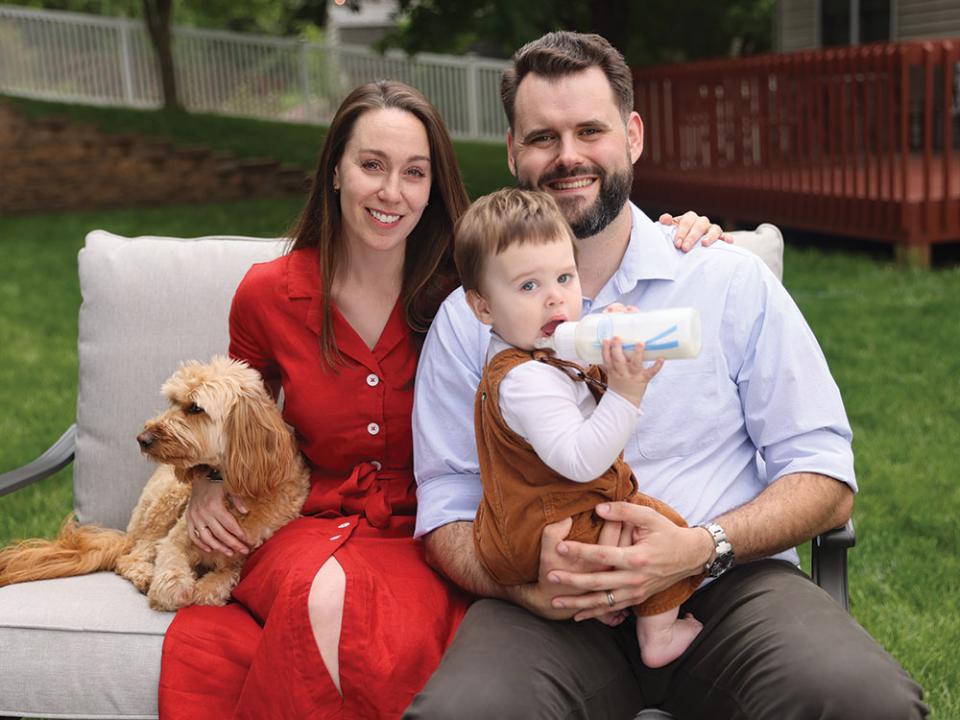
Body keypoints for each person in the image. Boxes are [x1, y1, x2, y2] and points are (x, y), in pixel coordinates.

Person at [156, 79, 719, 718]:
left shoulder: (467, 293)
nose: (392, 192)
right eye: (372, 166)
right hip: (309, 520)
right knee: (321, 598)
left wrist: (676, 229)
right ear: (335, 171)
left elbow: (551, 255)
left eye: (414, 173)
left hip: (424, 531)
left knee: (390, 631)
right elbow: (224, 409)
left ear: (432, 187)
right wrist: (206, 482)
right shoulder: (268, 293)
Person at [407, 32, 928, 719]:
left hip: (726, 585)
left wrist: (701, 547)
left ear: (632, 136)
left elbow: (823, 475)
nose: (567, 156)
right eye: (542, 137)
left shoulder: (723, 278)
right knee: (463, 713)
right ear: (513, 151)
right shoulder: (468, 320)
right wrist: (523, 589)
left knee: (865, 700)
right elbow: (446, 501)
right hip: (551, 606)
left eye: (590, 131)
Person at [456, 187, 704, 669]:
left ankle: (601, 605)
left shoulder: (532, 350)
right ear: (483, 308)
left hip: (532, 523)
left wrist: (605, 347)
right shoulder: (525, 380)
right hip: (550, 529)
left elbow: (573, 388)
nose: (555, 297)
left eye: (565, 277)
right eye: (529, 286)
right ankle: (659, 633)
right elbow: (581, 459)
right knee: (659, 525)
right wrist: (626, 392)